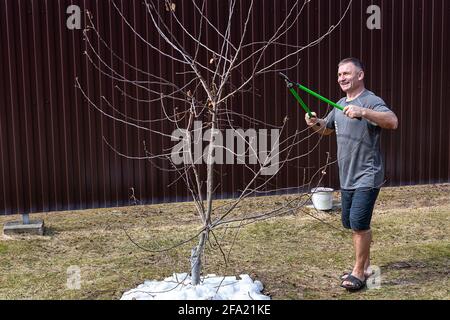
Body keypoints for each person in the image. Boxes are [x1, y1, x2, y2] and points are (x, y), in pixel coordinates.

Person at [305, 58, 398, 291]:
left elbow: (392, 121)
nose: (342, 78)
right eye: (339, 75)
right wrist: (314, 123)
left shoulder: (371, 101)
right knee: (350, 223)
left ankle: (359, 272)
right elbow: (327, 129)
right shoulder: (339, 103)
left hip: (368, 174)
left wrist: (363, 111)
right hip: (346, 176)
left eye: (346, 73)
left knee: (358, 224)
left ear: (360, 75)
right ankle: (365, 265)